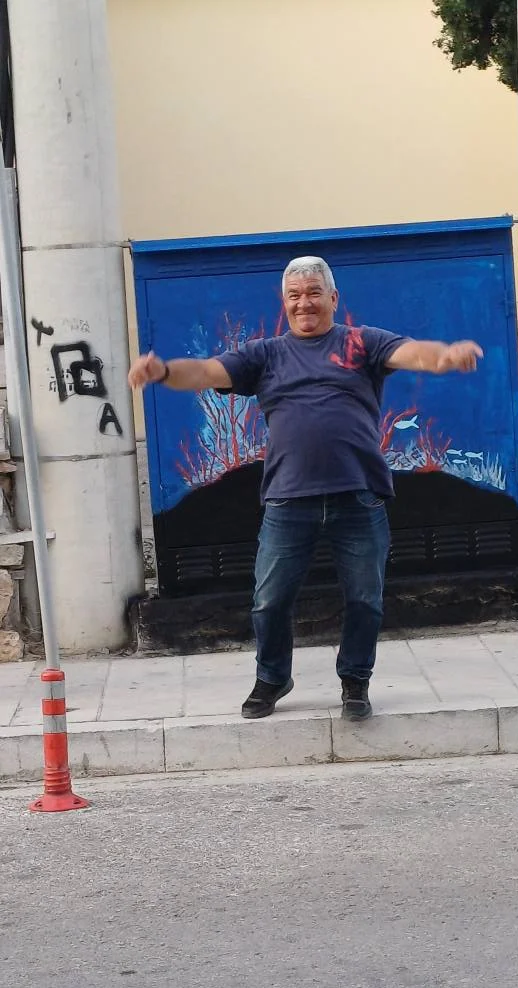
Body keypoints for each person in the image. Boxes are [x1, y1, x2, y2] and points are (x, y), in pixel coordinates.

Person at [128, 256, 482, 722]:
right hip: (288, 499)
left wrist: (444, 357)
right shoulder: (265, 355)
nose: (304, 303)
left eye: (314, 292)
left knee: (365, 599)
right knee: (269, 600)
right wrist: (163, 372)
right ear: (284, 302)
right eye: (294, 295)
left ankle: (355, 680)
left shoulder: (361, 342)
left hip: (359, 495)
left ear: (333, 298)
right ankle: (273, 677)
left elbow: (411, 352)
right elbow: (207, 372)